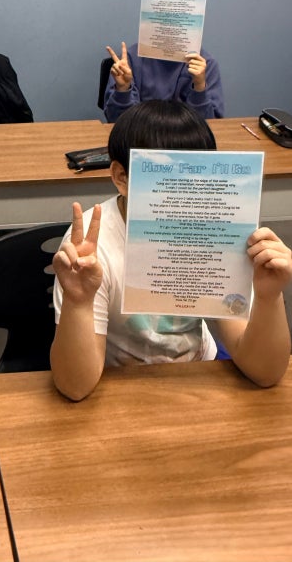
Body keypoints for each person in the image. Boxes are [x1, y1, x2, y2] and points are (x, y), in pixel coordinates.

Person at [50, 100, 292, 402]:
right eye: (166, 178)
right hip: (117, 384)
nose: (186, 192)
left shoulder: (215, 233)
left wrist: (269, 297)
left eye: (197, 177)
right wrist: (78, 303)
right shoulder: (90, 248)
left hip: (196, 375)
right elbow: (75, 387)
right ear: (121, 177)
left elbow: (265, 372)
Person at [102, 40, 224, 123]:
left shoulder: (205, 64)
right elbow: (115, 120)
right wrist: (123, 90)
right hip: (139, 138)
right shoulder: (129, 60)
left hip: (186, 141)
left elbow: (211, 126)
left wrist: (199, 87)